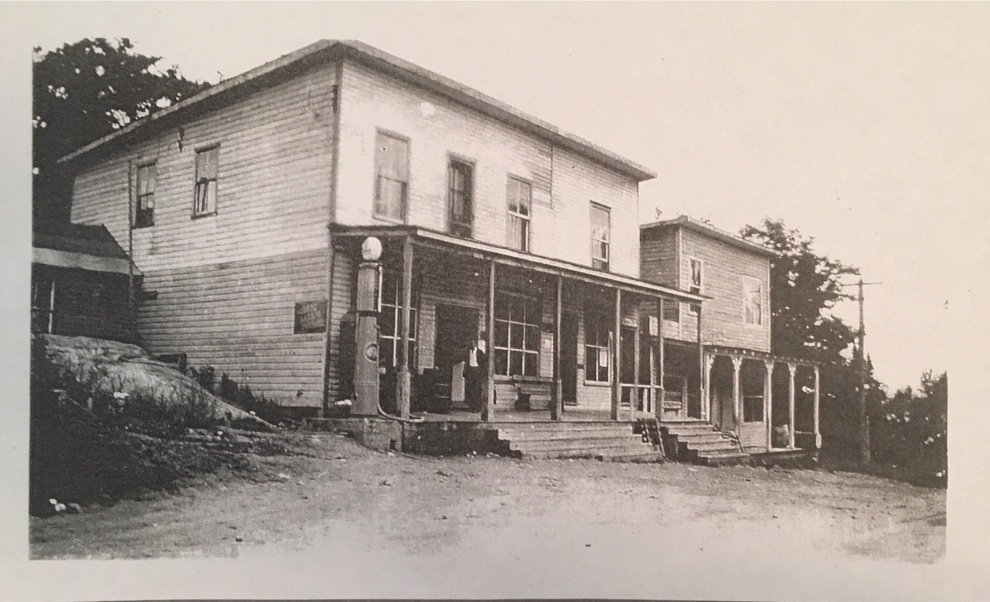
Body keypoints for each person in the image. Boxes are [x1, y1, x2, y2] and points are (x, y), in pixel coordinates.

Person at [463, 336, 487, 412]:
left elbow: (483, 364)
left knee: (476, 389)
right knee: (470, 389)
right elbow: (465, 362)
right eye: (471, 343)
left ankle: (477, 407)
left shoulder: (480, 352)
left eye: (473, 343)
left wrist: (481, 373)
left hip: (477, 371)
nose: (472, 345)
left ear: (476, 344)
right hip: (470, 371)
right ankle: (470, 407)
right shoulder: (468, 352)